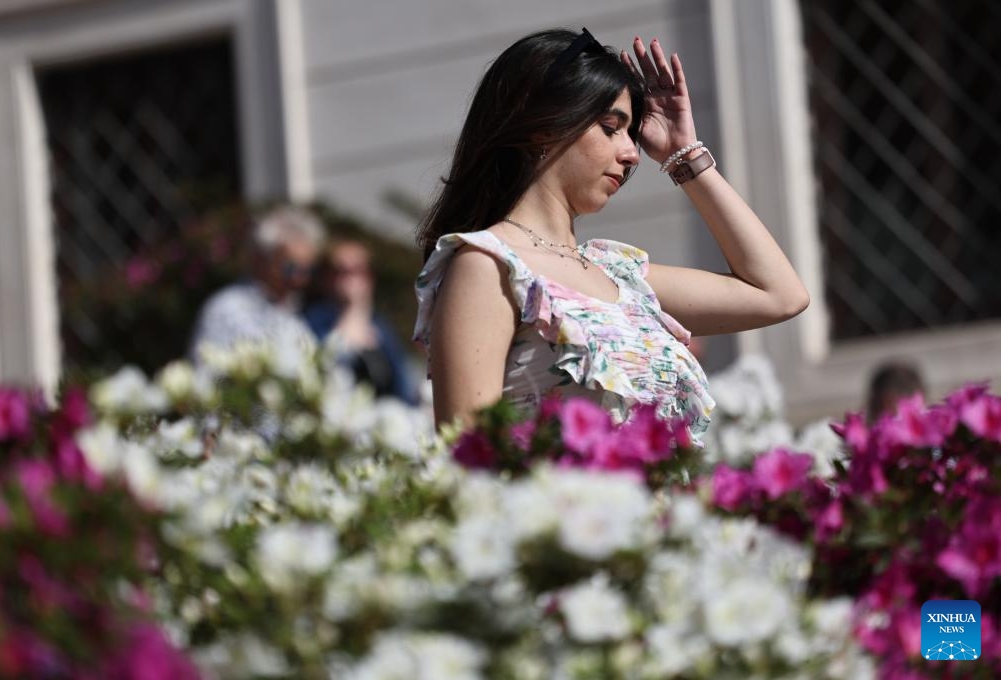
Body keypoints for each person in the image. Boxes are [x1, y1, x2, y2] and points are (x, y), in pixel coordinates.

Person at [413, 28, 810, 439]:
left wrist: (684, 153)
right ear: (543, 127)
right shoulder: (488, 265)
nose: (632, 153)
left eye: (630, 131)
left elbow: (779, 294)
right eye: (610, 127)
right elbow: (468, 458)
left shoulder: (618, 273)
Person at [189, 205, 325, 358]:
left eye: (308, 270)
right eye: (290, 269)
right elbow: (208, 374)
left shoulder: (295, 311)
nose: (300, 279)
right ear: (261, 260)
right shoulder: (226, 308)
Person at [304, 239, 420, 405]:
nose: (351, 279)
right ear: (326, 278)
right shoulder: (314, 319)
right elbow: (322, 369)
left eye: (358, 270)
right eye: (341, 271)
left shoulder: (382, 329)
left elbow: (402, 386)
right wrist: (350, 313)